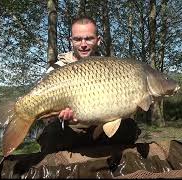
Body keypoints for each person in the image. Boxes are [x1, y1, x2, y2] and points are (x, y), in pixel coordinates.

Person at [37, 15, 141, 154]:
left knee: (129, 128)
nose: (83, 44)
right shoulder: (56, 69)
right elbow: (46, 116)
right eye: (78, 39)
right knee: (52, 133)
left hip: (102, 126)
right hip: (71, 129)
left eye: (89, 38)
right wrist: (60, 117)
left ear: (98, 41)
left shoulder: (112, 67)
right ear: (71, 41)